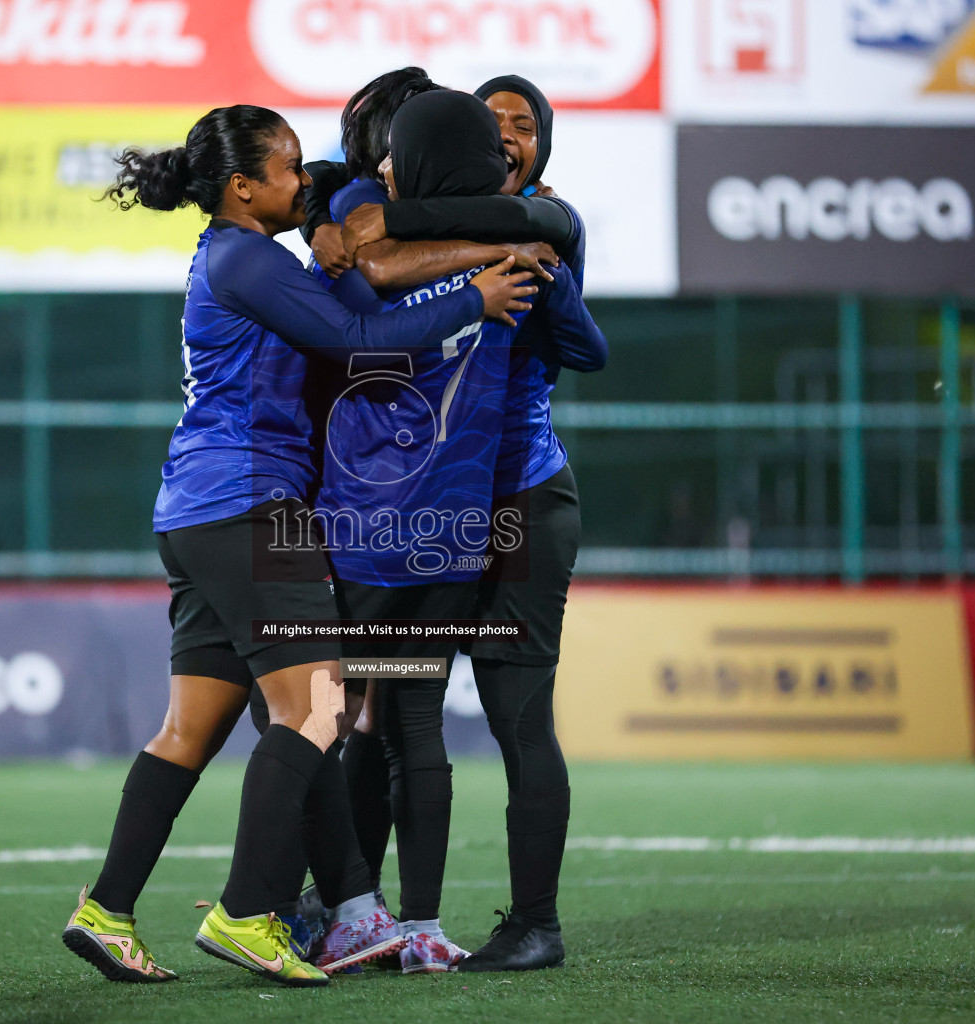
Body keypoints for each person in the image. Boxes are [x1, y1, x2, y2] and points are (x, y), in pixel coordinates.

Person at [59, 103, 537, 989]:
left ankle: (107, 909)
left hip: (200, 510)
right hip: (247, 507)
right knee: (318, 713)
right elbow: (359, 337)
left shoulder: (240, 254)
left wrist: (343, 232)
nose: (303, 180)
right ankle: (248, 913)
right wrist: (477, 297)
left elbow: (347, 274)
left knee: (188, 730)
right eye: (286, 170)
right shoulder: (246, 259)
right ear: (243, 187)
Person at [306, 74, 607, 973]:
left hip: (519, 500)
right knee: (390, 711)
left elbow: (588, 347)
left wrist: (539, 275)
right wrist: (347, 215)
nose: (512, 138)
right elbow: (342, 201)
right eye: (495, 124)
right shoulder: (394, 206)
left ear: (542, 146)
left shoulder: (552, 227)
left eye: (527, 126)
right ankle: (356, 910)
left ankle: (535, 924)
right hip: (434, 505)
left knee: (517, 717)